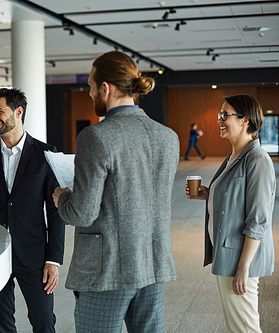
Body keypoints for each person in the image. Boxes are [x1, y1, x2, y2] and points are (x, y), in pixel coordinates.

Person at [53, 51, 179, 333]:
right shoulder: (168, 137)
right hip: (151, 264)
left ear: (105, 88)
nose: (89, 93)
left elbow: (82, 213)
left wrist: (62, 197)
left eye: (90, 86)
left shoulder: (96, 136)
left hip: (107, 269)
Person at [0, 88, 65, 333]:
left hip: (34, 254)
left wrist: (54, 259)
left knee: (43, 320)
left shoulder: (45, 153)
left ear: (18, 112)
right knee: (2, 323)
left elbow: (55, 211)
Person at [186, 94, 275, 333]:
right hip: (227, 255)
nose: (220, 120)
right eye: (220, 115)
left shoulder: (257, 159)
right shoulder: (234, 156)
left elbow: (258, 220)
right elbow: (235, 197)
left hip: (239, 260)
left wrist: (243, 268)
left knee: (245, 327)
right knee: (237, 325)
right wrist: (209, 193)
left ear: (245, 120)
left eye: (225, 115)